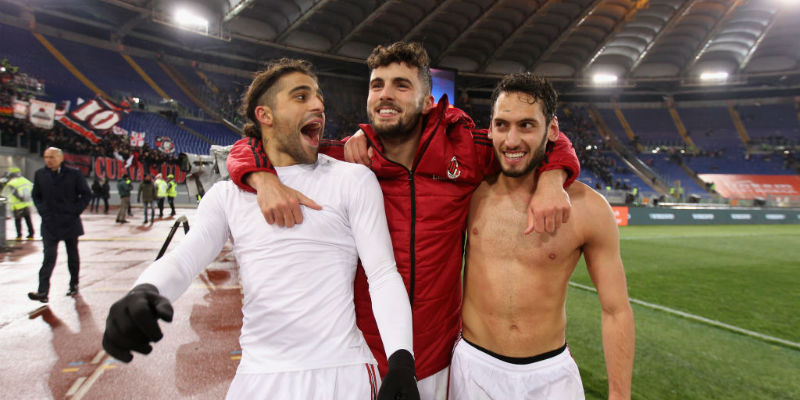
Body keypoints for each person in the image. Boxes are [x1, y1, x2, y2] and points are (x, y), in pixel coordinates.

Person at [225, 42, 580, 399]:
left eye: (401, 85)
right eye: (377, 85)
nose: (385, 94)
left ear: (427, 102)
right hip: (365, 359)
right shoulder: (346, 160)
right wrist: (260, 176)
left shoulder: (466, 151)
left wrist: (553, 176)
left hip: (438, 359)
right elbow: (257, 141)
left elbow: (536, 138)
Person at [102, 58, 418, 400]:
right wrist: (144, 290)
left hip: (343, 373)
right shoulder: (228, 195)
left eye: (318, 98)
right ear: (264, 115)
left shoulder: (352, 179)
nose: (318, 105)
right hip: (257, 378)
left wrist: (401, 359)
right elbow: (183, 260)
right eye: (301, 96)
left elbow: (383, 274)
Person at [451, 73, 635, 399]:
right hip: (473, 368)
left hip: (550, 376)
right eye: (502, 125)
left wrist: (619, 395)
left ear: (551, 130)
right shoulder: (468, 193)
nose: (511, 140)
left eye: (526, 125)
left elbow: (616, 310)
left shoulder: (590, 209)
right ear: (489, 128)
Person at [28, 147, 92, 303]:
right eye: (46, 157)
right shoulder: (40, 175)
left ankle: (74, 284)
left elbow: (86, 194)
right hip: (50, 224)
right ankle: (43, 292)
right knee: (48, 257)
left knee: (72, 256)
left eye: (51, 157)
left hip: (70, 222)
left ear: (60, 158)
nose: (48, 160)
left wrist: (75, 211)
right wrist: (43, 211)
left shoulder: (74, 174)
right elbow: (36, 196)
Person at [2, 166, 35, 239]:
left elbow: (10, 194)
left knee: (18, 221)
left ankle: (19, 235)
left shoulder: (12, 183)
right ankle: (31, 234)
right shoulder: (25, 180)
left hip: (17, 205)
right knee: (28, 219)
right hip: (27, 204)